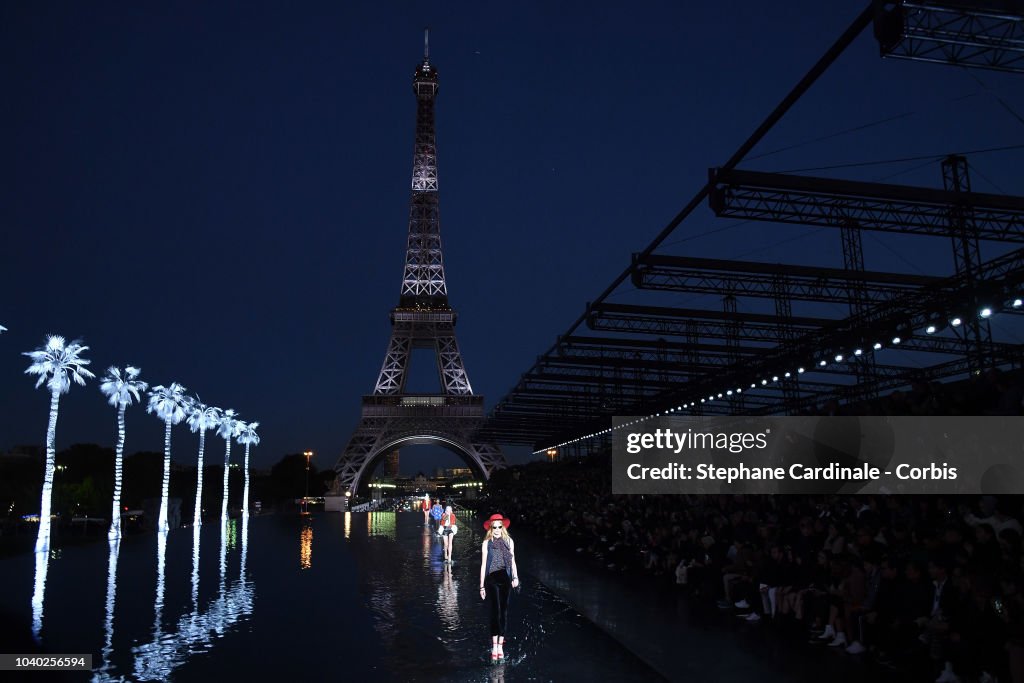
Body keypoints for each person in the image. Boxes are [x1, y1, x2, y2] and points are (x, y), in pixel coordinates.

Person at [480, 513, 519, 661]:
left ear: (503, 527)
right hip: (491, 579)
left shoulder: (509, 541)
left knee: (504, 611)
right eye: (494, 526)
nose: (496, 529)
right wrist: (481, 586)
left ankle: (500, 644)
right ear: (491, 527)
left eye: (499, 526)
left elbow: (513, 561)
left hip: (505, 578)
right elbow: (483, 565)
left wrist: (515, 577)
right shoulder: (487, 542)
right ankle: (494, 645)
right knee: (494, 611)